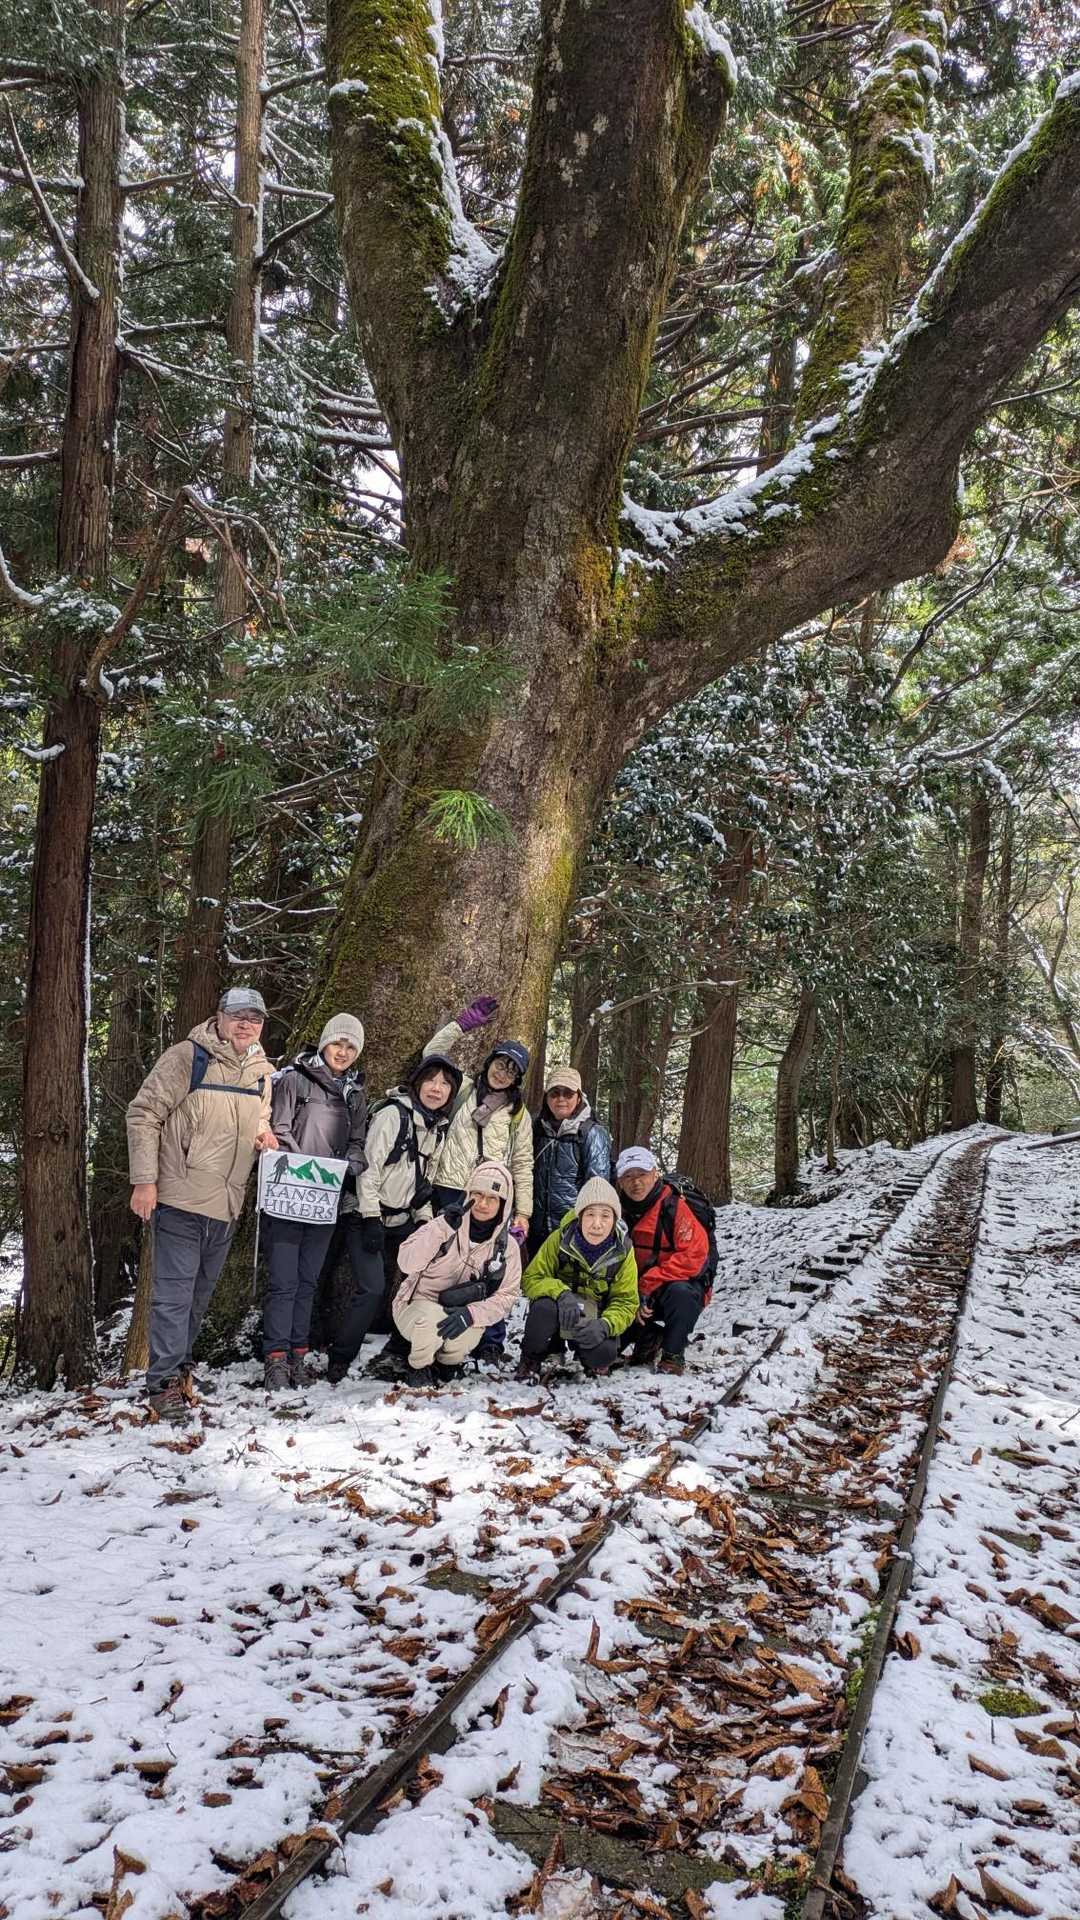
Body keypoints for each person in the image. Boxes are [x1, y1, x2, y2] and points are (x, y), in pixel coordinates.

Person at [126, 985, 277, 1423]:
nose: (246, 1025)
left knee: (197, 1298)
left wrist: (263, 1134)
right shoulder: (187, 1057)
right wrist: (144, 1181)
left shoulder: (261, 1072)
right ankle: (162, 1384)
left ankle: (180, 1370)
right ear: (220, 1017)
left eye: (255, 1019)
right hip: (180, 1199)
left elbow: (257, 1115)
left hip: (227, 1205)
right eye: (238, 1016)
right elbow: (144, 1114)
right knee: (173, 1298)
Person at [325, 1046, 463, 1383]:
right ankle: (340, 1357)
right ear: (417, 1083)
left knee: (422, 1280)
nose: (436, 1088)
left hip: (403, 1217)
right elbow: (368, 1170)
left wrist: (426, 1223)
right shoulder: (393, 1115)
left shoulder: (437, 1127)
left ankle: (405, 1350)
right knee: (372, 1288)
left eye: (445, 1084)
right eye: (430, 1080)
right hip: (364, 1213)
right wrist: (371, 1218)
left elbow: (423, 1183)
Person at [424, 996, 534, 1366]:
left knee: (490, 1267)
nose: (502, 1073)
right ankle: (433, 1330)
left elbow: (522, 1164)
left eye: (511, 1071)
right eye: (500, 1064)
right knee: (441, 1263)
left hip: (490, 1198)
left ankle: (489, 1340)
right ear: (489, 1063)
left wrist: (523, 1213)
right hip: (450, 1188)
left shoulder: (518, 1115)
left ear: (517, 1079)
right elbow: (432, 1055)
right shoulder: (463, 1091)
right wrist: (463, 1024)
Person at [261, 1012, 367, 1391]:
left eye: (351, 1047)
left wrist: (351, 1164)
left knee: (307, 1281)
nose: (343, 1051)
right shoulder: (295, 1079)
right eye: (338, 1043)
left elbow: (357, 1141)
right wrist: (306, 1168)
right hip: (289, 1193)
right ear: (324, 1043)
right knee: (283, 1281)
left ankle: (298, 1355)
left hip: (326, 1201)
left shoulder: (355, 1094)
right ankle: (275, 1359)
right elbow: (279, 1129)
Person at [393, 1160, 522, 1387]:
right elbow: (406, 1262)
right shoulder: (444, 1224)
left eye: (492, 1198)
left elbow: (507, 1295)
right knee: (432, 1320)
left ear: (503, 1204)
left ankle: (447, 1364)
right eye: (477, 1194)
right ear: (468, 1194)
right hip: (417, 1306)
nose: (483, 1203)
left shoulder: (507, 1246)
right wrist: (441, 1227)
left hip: (461, 1309)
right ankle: (419, 1367)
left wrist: (471, 1314)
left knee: (473, 1329)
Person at [515, 1178, 638, 1381]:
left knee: (604, 1353)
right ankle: (532, 1358)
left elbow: (626, 1301)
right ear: (579, 1216)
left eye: (605, 1216)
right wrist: (561, 1293)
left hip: (594, 1316)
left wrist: (606, 1324)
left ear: (615, 1219)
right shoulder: (559, 1238)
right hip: (558, 1310)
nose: (597, 1224)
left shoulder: (624, 1250)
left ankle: (587, 1358)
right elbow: (531, 1278)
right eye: (590, 1214)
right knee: (543, 1308)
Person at [615, 1146, 712, 1375]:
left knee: (682, 1294)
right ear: (619, 1181)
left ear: (654, 1174)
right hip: (631, 1289)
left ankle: (673, 1353)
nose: (636, 1182)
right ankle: (649, 1336)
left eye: (642, 1174)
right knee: (603, 1349)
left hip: (670, 1286)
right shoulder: (615, 1210)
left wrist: (647, 1284)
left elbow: (693, 1256)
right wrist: (629, 1292)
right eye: (628, 1176)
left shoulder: (674, 1207)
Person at [529, 1065, 613, 1256]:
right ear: (546, 1097)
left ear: (579, 1097)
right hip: (535, 1229)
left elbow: (597, 1187)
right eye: (555, 1093)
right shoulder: (536, 1128)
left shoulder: (591, 1133)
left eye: (567, 1093)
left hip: (572, 1230)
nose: (561, 1099)